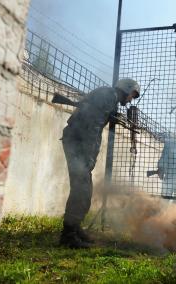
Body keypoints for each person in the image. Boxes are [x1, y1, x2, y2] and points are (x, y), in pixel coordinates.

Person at [59, 78, 140, 248]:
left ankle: (74, 228)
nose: (131, 99)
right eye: (132, 95)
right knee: (81, 189)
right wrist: (90, 155)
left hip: (76, 140)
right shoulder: (109, 95)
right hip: (78, 143)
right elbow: (93, 126)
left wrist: (112, 116)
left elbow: (94, 116)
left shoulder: (109, 96)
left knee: (83, 189)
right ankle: (68, 236)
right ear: (126, 89)